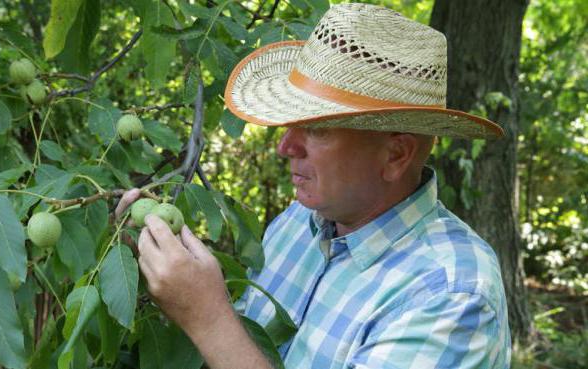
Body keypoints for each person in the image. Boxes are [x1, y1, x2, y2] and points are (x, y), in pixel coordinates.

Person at [116, 3, 511, 368]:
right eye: (290, 125)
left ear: (396, 155)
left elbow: (220, 331)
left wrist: (207, 316)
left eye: (317, 129)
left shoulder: (451, 294)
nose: (285, 147)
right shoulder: (297, 222)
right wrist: (168, 279)